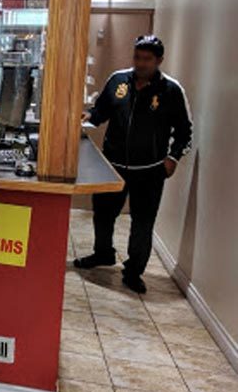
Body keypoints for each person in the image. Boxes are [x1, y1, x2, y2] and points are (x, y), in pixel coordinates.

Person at [75, 35, 192, 293]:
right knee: (103, 215)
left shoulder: (171, 90)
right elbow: (101, 112)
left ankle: (134, 270)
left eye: (147, 59)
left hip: (150, 170)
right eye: (137, 57)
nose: (140, 63)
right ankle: (103, 253)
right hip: (112, 166)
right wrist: (87, 116)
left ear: (159, 60)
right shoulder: (118, 80)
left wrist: (172, 158)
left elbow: (185, 131)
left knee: (143, 223)